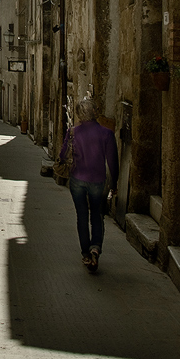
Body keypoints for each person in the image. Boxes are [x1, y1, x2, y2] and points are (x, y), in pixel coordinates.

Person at [59, 97, 119, 273]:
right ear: (95, 112)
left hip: (77, 179)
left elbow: (63, 156)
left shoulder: (72, 132)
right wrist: (114, 183)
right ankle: (96, 248)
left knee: (82, 216)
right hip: (98, 181)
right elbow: (113, 162)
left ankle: (85, 253)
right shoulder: (106, 134)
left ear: (79, 113)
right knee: (97, 215)